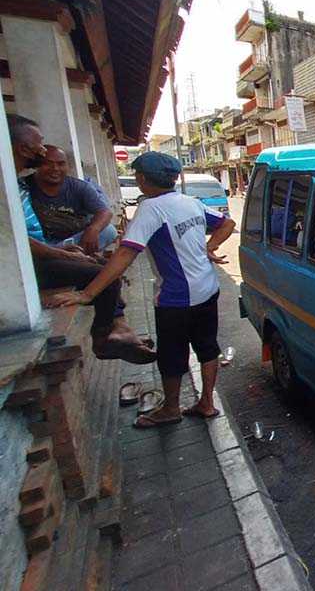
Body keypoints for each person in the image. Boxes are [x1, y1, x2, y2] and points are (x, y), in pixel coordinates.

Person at [48, 152, 237, 428]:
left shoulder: (150, 209)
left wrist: (87, 293)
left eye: (137, 175)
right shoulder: (191, 203)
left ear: (143, 179)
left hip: (176, 298)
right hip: (208, 288)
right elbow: (227, 224)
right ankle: (207, 403)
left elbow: (125, 255)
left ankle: (171, 409)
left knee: (172, 355)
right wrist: (209, 248)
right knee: (207, 346)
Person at [7, 115, 154, 364]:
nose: (44, 153)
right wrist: (63, 255)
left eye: (60, 163)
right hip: (20, 268)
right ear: (23, 148)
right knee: (104, 277)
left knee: (104, 265)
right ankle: (106, 335)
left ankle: (113, 329)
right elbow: (16, 242)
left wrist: (82, 239)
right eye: (40, 145)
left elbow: (104, 213)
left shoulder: (28, 184)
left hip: (50, 249)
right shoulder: (18, 184)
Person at [27, 145, 118, 253]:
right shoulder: (24, 187)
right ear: (36, 165)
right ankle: (62, 255)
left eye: (61, 164)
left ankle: (64, 254)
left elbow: (105, 212)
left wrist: (93, 229)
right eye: (48, 163)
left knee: (109, 231)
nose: (55, 169)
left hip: (73, 240)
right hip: (39, 244)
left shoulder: (79, 186)